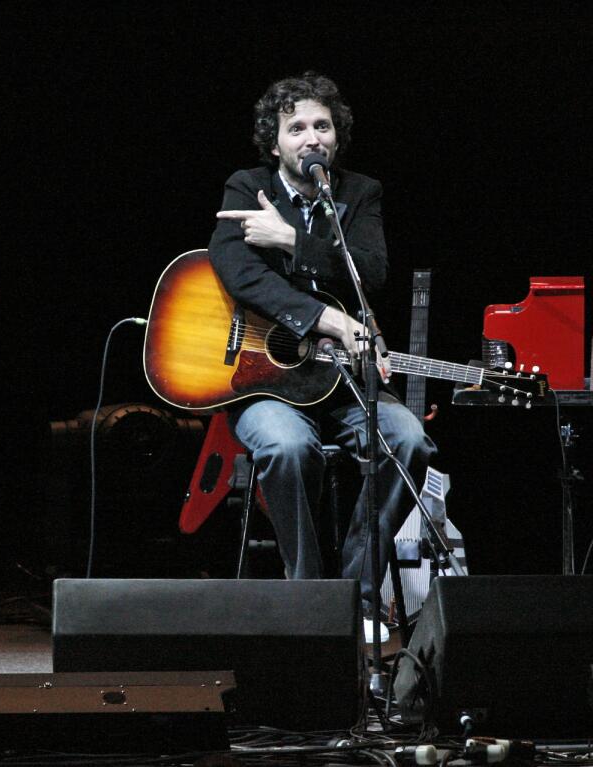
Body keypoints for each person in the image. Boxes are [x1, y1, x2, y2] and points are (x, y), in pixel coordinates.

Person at [208, 72, 436, 639]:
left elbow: (373, 271)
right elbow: (236, 270)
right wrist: (325, 318)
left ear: (336, 136)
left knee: (408, 438)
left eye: (322, 126)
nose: (312, 138)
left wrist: (290, 240)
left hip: (339, 383)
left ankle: (357, 596)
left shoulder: (358, 194)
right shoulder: (247, 185)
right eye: (297, 128)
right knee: (287, 446)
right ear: (276, 142)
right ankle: (308, 594)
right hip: (262, 380)